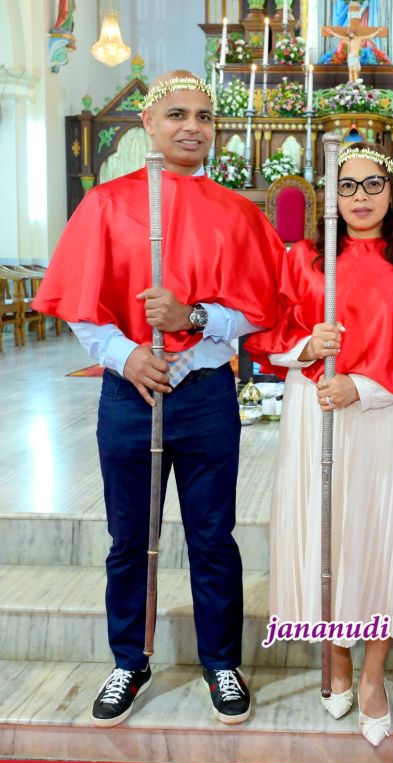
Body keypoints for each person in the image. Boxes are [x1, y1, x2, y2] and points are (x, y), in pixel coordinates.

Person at [33, 71, 284, 727]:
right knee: (128, 537)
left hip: (204, 396)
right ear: (149, 123)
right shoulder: (107, 204)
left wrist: (193, 320)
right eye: (178, 114)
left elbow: (256, 310)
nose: (192, 127)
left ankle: (221, 662)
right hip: (130, 394)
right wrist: (128, 356)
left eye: (204, 115)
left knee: (213, 535)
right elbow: (82, 305)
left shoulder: (236, 213)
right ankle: (129, 659)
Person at [246, 143, 393, 747]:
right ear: (329, 197)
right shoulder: (304, 259)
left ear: (392, 194)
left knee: (379, 533)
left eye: (372, 185)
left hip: (380, 414)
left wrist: (361, 386)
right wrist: (307, 348)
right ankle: (335, 654)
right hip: (314, 407)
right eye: (346, 186)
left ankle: (373, 674)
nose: (359, 197)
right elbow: (270, 327)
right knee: (325, 533)